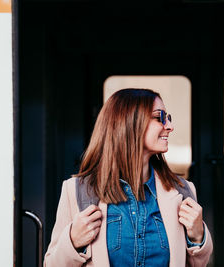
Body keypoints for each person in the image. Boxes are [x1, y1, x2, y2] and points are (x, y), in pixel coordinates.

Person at [44, 88, 213, 267]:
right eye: (160, 117)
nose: (170, 126)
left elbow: (197, 264)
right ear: (129, 122)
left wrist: (197, 237)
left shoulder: (182, 190)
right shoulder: (76, 190)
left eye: (168, 118)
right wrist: (73, 241)